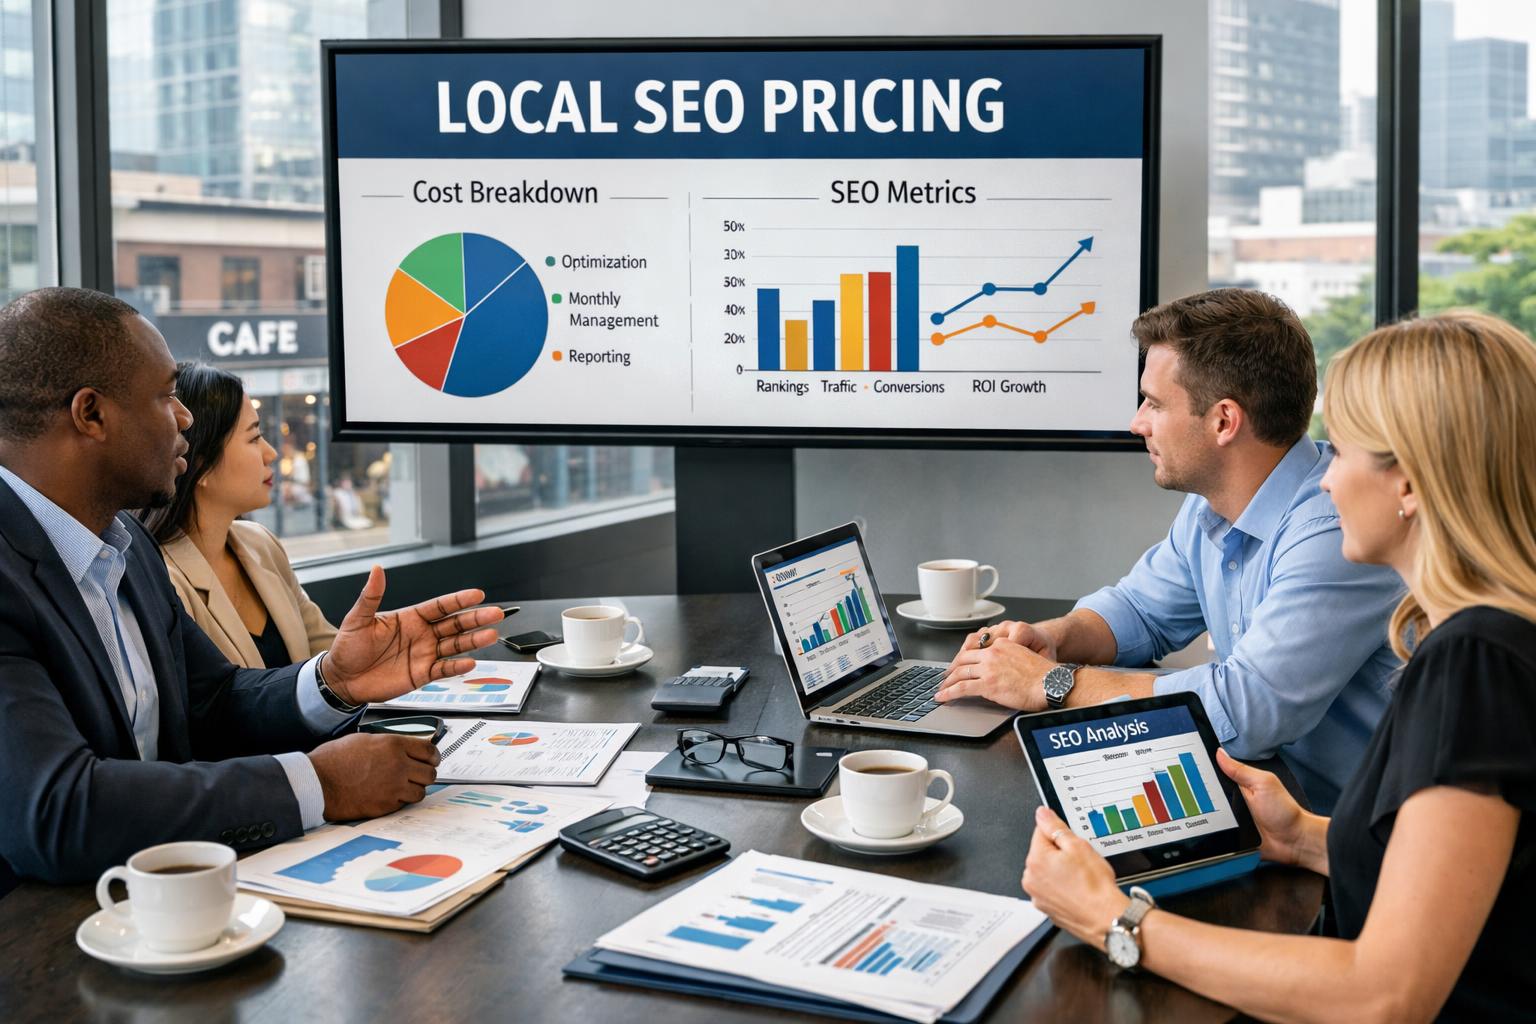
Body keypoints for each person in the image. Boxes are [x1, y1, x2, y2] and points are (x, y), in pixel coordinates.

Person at [1020, 310, 1536, 1021]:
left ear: (1410, 485)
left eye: (1346, 452)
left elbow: (1382, 994)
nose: (1326, 479)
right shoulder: (1477, 641)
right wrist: (1301, 837)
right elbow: (1478, 880)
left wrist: (1116, 922)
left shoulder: (1475, 664)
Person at [0, 287, 504, 890]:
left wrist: (334, 681)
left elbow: (211, 703)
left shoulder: (121, 545)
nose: (184, 417)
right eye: (165, 396)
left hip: (169, 902)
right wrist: (319, 784)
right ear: (91, 414)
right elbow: (57, 810)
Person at [936, 288, 1402, 812]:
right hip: (1266, 801)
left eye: (1154, 403)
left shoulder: (1332, 529)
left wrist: (1053, 683)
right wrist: (1051, 638)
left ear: (1224, 421)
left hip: (1347, 842)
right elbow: (1139, 611)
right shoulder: (1213, 507)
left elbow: (1245, 714)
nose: (1138, 422)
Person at [137, 363, 337, 669]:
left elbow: (332, 658)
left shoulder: (262, 545)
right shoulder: (163, 582)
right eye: (255, 438)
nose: (271, 453)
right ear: (198, 463)